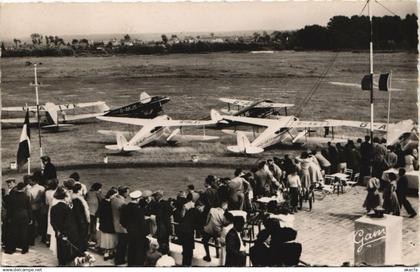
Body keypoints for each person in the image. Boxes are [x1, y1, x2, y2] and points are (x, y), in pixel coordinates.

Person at [50, 186, 81, 266]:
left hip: (58, 232)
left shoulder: (54, 208)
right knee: (67, 249)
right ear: (64, 197)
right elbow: (69, 223)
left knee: (60, 248)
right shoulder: (67, 208)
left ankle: (61, 263)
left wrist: (57, 230)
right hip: (67, 233)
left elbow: (52, 222)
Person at [120, 190, 148, 266]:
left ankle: (130, 264)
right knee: (139, 250)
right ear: (138, 199)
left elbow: (122, 221)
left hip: (129, 231)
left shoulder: (125, 207)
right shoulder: (139, 210)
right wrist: (145, 232)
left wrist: (128, 227)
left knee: (131, 249)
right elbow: (142, 223)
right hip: (139, 233)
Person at [4, 182, 32, 254]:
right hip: (24, 216)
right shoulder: (26, 197)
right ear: (23, 188)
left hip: (14, 216)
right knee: (24, 233)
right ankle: (24, 249)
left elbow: (10, 208)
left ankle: (12, 248)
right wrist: (30, 218)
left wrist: (8, 217)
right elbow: (29, 209)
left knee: (13, 233)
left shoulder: (12, 197)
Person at [178, 194, 204, 266]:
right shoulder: (198, 212)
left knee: (185, 250)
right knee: (189, 252)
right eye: (202, 208)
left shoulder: (190, 210)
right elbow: (199, 226)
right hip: (188, 233)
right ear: (199, 206)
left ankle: (184, 265)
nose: (203, 210)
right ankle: (187, 266)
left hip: (182, 231)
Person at [98, 188, 118, 261]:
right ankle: (110, 252)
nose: (116, 197)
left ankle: (107, 253)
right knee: (111, 239)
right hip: (110, 225)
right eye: (115, 195)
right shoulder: (111, 203)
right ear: (112, 195)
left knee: (106, 240)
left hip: (103, 225)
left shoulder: (103, 201)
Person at [26, 175, 46, 245]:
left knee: (32, 224)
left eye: (30, 181)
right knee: (42, 223)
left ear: (34, 181)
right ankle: (44, 238)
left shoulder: (29, 190)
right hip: (40, 207)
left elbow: (29, 200)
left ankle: (31, 241)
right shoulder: (42, 188)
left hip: (32, 208)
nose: (28, 182)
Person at [112, 186, 130, 265]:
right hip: (121, 227)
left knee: (120, 244)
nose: (128, 194)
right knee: (122, 245)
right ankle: (119, 260)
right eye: (128, 192)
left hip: (115, 224)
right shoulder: (122, 203)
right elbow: (125, 217)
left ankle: (118, 259)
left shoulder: (114, 200)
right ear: (124, 192)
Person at [72, 183, 90, 252]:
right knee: (82, 236)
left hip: (75, 220)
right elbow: (83, 211)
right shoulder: (78, 199)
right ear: (79, 190)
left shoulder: (71, 197)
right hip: (81, 220)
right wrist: (87, 220)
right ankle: (82, 250)